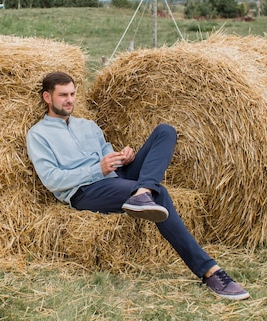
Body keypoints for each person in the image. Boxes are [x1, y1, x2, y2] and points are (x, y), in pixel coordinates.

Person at [26, 71, 250, 300]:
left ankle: (142, 191)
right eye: (63, 95)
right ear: (47, 97)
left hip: (114, 175)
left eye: (73, 94)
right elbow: (52, 179)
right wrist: (98, 169)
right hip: (85, 191)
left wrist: (123, 157)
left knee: (165, 131)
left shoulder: (88, 125)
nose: (70, 99)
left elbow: (106, 153)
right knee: (159, 194)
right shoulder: (38, 135)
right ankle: (209, 271)